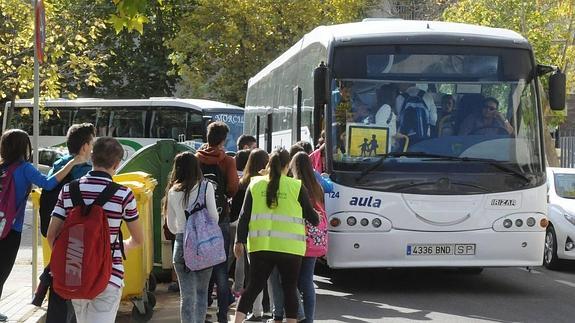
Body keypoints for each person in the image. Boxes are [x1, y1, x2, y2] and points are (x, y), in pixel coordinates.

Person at [46, 137, 144, 323]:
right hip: (109, 276)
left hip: (75, 275)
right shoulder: (124, 195)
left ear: (92, 158)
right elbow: (138, 240)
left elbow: (52, 235)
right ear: (116, 163)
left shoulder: (68, 190)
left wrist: (74, 259)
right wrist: (120, 246)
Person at [0, 129, 85, 322]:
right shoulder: (23, 168)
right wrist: (72, 163)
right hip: (10, 229)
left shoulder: (2, 168)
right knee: (3, 269)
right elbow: (47, 184)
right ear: (24, 147)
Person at [233, 148, 319, 323]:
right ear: (287, 166)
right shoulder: (296, 186)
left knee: (253, 288)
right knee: (289, 288)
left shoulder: (255, 184)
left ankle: (236, 321)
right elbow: (313, 218)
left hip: (260, 247)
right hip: (290, 248)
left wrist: (239, 241)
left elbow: (244, 216)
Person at [43, 123, 95, 323]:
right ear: (84, 146)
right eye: (91, 142)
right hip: (78, 239)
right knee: (77, 293)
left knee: (59, 287)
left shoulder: (59, 165)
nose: (92, 147)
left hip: (57, 236)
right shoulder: (86, 171)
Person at [271, 152, 328, 323]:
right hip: (315, 241)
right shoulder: (317, 186)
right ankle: (308, 319)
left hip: (297, 239)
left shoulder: (294, 186)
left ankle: (297, 316)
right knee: (307, 281)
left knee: (289, 281)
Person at [165, 151, 218, 323]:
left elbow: (171, 227)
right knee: (202, 293)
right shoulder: (206, 186)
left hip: (182, 244)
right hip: (204, 246)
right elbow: (214, 218)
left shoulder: (173, 191)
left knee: (186, 296)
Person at [196, 121, 238, 323]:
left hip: (198, 218)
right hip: (220, 217)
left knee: (202, 265)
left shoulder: (196, 159)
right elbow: (232, 187)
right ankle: (223, 315)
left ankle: (202, 310)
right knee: (221, 265)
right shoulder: (227, 161)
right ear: (223, 140)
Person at [230, 148, 270, 321]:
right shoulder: (267, 183)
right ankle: (266, 306)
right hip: (268, 233)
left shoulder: (243, 183)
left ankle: (255, 309)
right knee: (269, 275)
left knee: (251, 275)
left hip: (248, 234)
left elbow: (239, 212)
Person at [374, 85, 397, 152]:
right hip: (387, 146)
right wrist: (396, 134)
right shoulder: (386, 108)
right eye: (394, 93)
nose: (395, 96)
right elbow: (381, 129)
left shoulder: (384, 107)